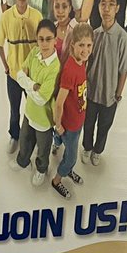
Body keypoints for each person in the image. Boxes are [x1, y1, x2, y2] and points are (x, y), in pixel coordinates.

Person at [83, 0, 127, 166]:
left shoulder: (122, 37)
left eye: (111, 4)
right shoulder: (93, 35)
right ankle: (87, 147)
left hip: (109, 94)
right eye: (103, 4)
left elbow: (124, 69)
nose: (106, 8)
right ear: (98, 7)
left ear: (117, 8)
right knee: (88, 123)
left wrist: (118, 94)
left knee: (104, 126)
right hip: (91, 92)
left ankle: (97, 151)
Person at [0, 0, 42, 152]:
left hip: (32, 75)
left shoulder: (37, 16)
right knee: (14, 110)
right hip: (14, 74)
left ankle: (33, 138)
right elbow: (0, 44)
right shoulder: (6, 16)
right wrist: (6, 66)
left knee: (34, 109)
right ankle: (14, 135)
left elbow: (42, 44)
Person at [15, 19, 61, 186]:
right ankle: (23, 161)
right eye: (41, 39)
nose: (44, 43)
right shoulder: (34, 52)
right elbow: (19, 75)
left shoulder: (55, 67)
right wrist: (34, 85)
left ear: (55, 39)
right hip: (29, 112)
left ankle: (41, 169)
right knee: (24, 139)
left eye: (48, 39)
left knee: (43, 149)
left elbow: (42, 99)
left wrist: (26, 83)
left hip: (44, 120)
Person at [52, 22, 94, 199]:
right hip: (69, 125)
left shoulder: (81, 62)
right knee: (71, 157)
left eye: (89, 45)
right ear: (73, 45)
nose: (86, 50)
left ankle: (58, 147)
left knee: (64, 144)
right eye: (81, 45)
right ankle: (57, 180)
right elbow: (59, 103)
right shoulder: (70, 70)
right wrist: (59, 125)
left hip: (77, 119)